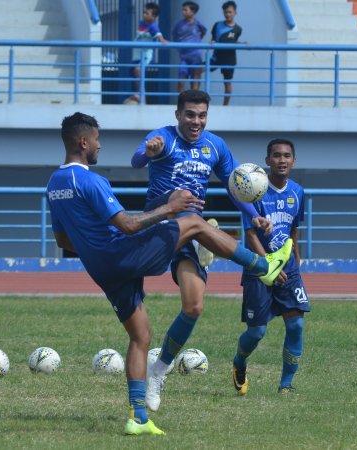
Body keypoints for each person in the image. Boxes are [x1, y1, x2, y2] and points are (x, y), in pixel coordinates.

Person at [46, 112, 291, 436]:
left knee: (141, 336)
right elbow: (128, 225)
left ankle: (138, 418)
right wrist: (170, 208)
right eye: (96, 140)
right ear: (83, 142)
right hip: (122, 254)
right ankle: (263, 266)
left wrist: (98, 251)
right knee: (192, 222)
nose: (99, 146)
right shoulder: (89, 180)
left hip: (101, 268)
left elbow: (63, 240)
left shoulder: (54, 184)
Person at [130, 89, 275, 412]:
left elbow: (236, 187)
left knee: (194, 307)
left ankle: (159, 371)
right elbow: (137, 158)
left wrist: (256, 215)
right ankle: (256, 263)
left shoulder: (215, 146)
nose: (196, 121)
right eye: (190, 114)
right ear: (178, 114)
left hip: (189, 229)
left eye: (202, 115)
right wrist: (148, 152)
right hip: (161, 222)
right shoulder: (164, 138)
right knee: (191, 213)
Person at [232, 138, 310, 396]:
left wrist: (297, 262)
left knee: (297, 325)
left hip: (289, 269)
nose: (282, 160)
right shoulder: (252, 189)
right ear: (267, 161)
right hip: (258, 267)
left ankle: (286, 385)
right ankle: (239, 362)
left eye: (287, 155)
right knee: (257, 332)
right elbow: (251, 234)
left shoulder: (298, 192)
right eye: (276, 155)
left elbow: (294, 230)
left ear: (294, 161)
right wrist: (268, 266)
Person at [125, 2, 168, 105]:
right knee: (134, 74)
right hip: (136, 54)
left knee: (138, 70)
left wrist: (162, 40)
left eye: (147, 13)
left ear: (153, 16)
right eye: (144, 12)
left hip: (145, 55)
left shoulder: (153, 26)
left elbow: (159, 35)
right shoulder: (141, 23)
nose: (144, 14)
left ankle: (142, 97)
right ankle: (139, 94)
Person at [209, 1, 243, 106]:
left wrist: (242, 43)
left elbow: (232, 41)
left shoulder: (238, 29)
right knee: (198, 70)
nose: (227, 14)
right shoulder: (217, 25)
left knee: (227, 83)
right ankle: (193, 100)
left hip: (229, 59)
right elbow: (213, 39)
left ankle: (225, 106)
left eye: (229, 12)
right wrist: (212, 41)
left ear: (235, 13)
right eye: (225, 12)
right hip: (216, 57)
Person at [172, 1, 207, 93]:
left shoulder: (198, 23)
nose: (183, 12)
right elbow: (174, 36)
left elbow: (204, 31)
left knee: (195, 79)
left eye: (185, 10)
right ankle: (181, 101)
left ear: (193, 12)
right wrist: (180, 47)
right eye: (182, 10)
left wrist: (197, 41)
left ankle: (193, 100)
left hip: (196, 56)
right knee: (181, 78)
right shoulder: (179, 24)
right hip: (184, 57)